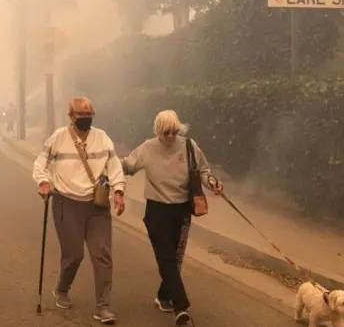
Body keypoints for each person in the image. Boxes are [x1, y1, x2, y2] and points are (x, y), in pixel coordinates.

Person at [122, 110, 223, 326]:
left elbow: (203, 170)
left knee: (175, 259)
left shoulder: (188, 145)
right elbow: (127, 166)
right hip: (157, 210)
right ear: (157, 131)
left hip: (181, 209)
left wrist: (212, 183)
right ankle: (181, 307)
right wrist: (106, 168)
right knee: (166, 257)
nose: (170, 137)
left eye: (174, 132)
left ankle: (163, 296)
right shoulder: (148, 147)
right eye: (165, 132)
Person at [32, 97, 126, 325]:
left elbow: (114, 167)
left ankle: (103, 307)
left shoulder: (102, 137)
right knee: (74, 254)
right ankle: (62, 289)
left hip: (97, 206)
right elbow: (40, 163)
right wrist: (43, 182)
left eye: (89, 115)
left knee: (102, 255)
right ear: (71, 116)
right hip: (67, 203)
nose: (86, 120)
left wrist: (119, 191)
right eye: (81, 116)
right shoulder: (59, 137)